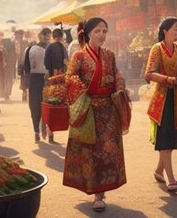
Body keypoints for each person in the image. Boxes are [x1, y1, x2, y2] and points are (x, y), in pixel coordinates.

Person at [63, 17, 127, 213]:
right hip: (88, 109)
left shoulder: (110, 55)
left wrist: (120, 90)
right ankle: (94, 191)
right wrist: (81, 91)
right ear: (89, 33)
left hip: (108, 110)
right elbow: (70, 77)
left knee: (108, 151)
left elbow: (117, 76)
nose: (102, 35)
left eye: (105, 31)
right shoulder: (79, 56)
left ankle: (101, 194)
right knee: (90, 152)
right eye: (98, 31)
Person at [144, 17, 177, 193]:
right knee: (166, 140)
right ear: (165, 30)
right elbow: (149, 73)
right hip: (162, 100)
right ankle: (171, 180)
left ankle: (158, 171)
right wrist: (167, 79)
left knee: (170, 139)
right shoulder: (157, 49)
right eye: (174, 29)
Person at [28, 28, 51, 142]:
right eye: (45, 35)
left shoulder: (32, 48)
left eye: (48, 35)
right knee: (37, 104)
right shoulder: (34, 48)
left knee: (43, 104)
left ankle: (41, 130)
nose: (47, 38)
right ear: (40, 35)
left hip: (39, 79)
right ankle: (38, 130)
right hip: (40, 78)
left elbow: (27, 66)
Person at [0, 33, 17, 100]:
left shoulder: (2, 48)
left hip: (3, 68)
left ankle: (3, 93)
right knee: (9, 80)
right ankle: (7, 94)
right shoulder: (12, 49)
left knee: (3, 80)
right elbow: (14, 59)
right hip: (10, 67)